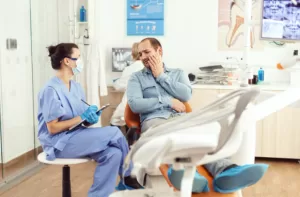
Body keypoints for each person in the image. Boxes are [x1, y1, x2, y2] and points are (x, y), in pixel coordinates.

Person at [126, 37, 268, 194]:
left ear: (159, 51)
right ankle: (183, 174)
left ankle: (227, 171)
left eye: (147, 52)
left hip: (181, 118)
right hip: (155, 121)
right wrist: (168, 101)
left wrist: (160, 76)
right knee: (169, 136)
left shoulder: (178, 73)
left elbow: (186, 95)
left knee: (203, 137)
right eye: (140, 54)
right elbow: (135, 104)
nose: (143, 57)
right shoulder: (136, 78)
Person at [37, 43, 142, 197]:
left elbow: (80, 121)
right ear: (67, 61)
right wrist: (81, 117)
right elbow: (52, 128)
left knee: (113, 154)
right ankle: (128, 175)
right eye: (78, 57)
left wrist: (90, 119)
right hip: (58, 143)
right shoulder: (50, 90)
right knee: (113, 131)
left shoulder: (77, 87)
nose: (80, 62)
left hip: (77, 136)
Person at [110, 42, 144, 127]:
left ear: (133, 53)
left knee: (115, 121)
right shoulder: (149, 67)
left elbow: (119, 86)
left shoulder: (129, 69)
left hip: (129, 106)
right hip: (144, 108)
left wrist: (116, 82)